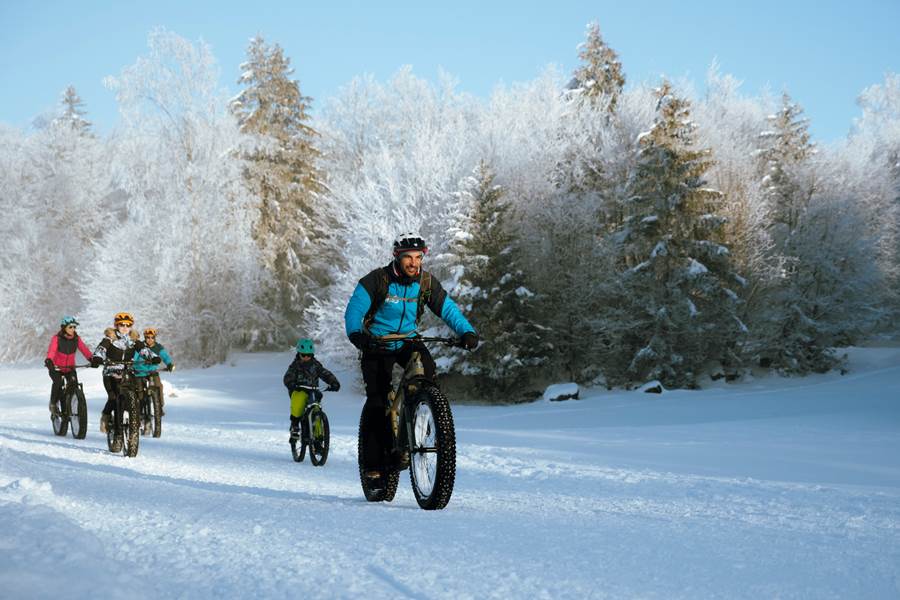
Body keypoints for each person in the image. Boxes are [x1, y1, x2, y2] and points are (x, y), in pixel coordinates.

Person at [344, 232, 478, 483]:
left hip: (408, 339)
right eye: (408, 258)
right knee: (377, 399)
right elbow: (354, 310)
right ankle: (374, 462)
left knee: (427, 377)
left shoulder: (426, 283)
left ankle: (420, 424)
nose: (414, 263)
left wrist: (466, 331)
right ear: (397, 256)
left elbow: (447, 309)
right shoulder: (376, 280)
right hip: (377, 342)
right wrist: (356, 334)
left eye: (419, 257)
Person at [90, 312, 160, 432]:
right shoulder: (110, 339)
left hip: (127, 371)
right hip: (111, 372)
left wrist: (153, 357)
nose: (125, 328)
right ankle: (106, 416)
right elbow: (101, 349)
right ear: (116, 325)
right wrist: (97, 358)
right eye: (121, 324)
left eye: (128, 325)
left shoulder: (133, 340)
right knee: (113, 397)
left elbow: (144, 350)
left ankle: (134, 423)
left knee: (135, 395)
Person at [282, 338, 339, 441]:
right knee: (298, 401)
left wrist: (333, 382)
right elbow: (288, 376)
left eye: (309, 355)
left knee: (317, 410)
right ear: (299, 354)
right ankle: (295, 425)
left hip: (313, 390)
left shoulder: (315, 365)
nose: (306, 357)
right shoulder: (295, 366)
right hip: (299, 390)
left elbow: (325, 373)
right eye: (303, 355)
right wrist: (291, 384)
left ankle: (318, 438)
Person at [44, 316, 93, 415]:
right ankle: (53, 403)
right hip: (56, 367)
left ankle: (73, 407)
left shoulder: (76, 339)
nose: (73, 329)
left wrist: (92, 359)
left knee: (74, 385)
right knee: (58, 383)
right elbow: (52, 351)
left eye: (74, 327)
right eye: (70, 327)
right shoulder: (56, 338)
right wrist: (49, 360)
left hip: (69, 368)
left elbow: (84, 349)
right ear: (64, 327)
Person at [133, 328, 175, 425]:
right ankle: (139, 411)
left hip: (152, 372)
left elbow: (165, 356)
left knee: (158, 386)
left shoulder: (158, 347)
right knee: (139, 391)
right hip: (140, 372)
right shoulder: (140, 346)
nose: (150, 339)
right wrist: (132, 365)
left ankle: (159, 407)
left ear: (155, 338)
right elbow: (134, 357)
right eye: (147, 337)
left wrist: (169, 364)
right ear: (145, 337)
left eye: (152, 337)